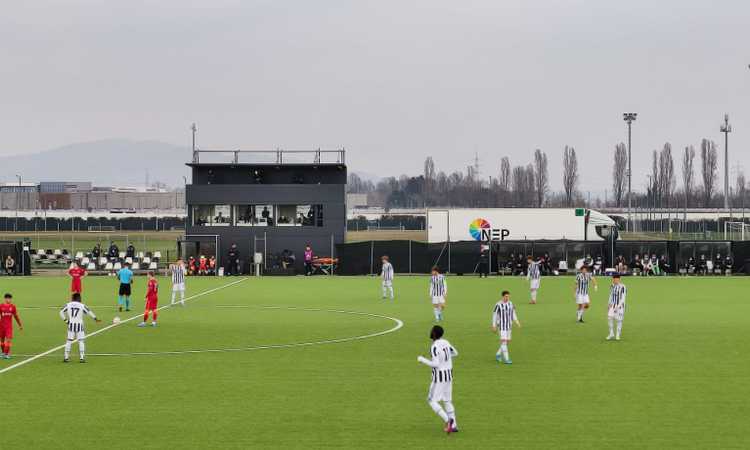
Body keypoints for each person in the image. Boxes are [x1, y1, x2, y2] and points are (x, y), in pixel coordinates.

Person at [417, 325, 458, 434]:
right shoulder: (446, 342)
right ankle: (454, 425)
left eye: (431, 330)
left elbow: (435, 364)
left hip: (439, 377)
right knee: (447, 400)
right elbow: (455, 353)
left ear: (434, 334)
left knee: (431, 400)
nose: (430, 332)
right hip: (449, 375)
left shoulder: (434, 347)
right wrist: (446, 358)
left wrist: (422, 360)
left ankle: (448, 421)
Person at [60, 292, 101, 363]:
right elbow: (89, 312)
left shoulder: (68, 305)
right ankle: (82, 358)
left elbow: (61, 312)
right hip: (79, 325)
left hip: (71, 325)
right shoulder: (82, 305)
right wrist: (95, 319)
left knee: (69, 341)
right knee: (81, 341)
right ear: (79, 298)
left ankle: (66, 357)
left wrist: (66, 321)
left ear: (72, 298)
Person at [491, 290, 521, 364]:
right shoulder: (498, 305)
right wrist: (493, 325)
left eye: (508, 296)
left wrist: (517, 322)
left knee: (507, 342)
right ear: (503, 296)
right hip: (501, 326)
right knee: (504, 341)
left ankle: (498, 354)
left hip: (509, 326)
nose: (507, 298)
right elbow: (494, 315)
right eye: (506, 296)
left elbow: (513, 313)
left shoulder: (510, 303)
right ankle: (507, 359)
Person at [0, 293, 23, 359]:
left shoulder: (12, 307)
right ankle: (3, 353)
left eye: (9, 298)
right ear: (4, 299)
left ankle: (6, 354)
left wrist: (20, 325)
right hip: (1, 326)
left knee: (8, 340)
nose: (8, 299)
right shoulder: (1, 306)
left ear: (11, 299)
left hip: (9, 327)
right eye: (7, 298)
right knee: (1, 341)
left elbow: (16, 316)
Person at [607, 274, 627, 341]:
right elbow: (610, 295)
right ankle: (611, 333)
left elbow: (623, 298)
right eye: (613, 279)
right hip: (612, 305)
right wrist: (609, 304)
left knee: (619, 320)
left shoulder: (623, 287)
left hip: (620, 306)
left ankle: (618, 335)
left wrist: (618, 306)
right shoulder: (612, 286)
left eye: (615, 279)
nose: (614, 280)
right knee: (609, 318)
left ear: (619, 279)